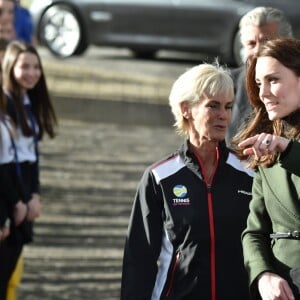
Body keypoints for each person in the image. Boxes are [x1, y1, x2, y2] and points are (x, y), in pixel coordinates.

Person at [121, 62, 253, 299]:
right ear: (186, 109)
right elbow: (139, 259)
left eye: (228, 106)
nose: (223, 115)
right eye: (213, 106)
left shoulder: (249, 173)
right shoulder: (160, 177)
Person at [232, 37, 300, 300]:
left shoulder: (280, 147)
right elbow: (254, 232)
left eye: (273, 80)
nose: (263, 93)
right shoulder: (268, 149)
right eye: (259, 83)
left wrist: (288, 150)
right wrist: (263, 275)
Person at [0, 40, 57, 299]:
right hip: (10, 198)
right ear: (10, 67)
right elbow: (7, 161)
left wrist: (34, 194)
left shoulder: (26, 102)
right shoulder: (7, 105)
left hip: (23, 196)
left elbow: (30, 157)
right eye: (25, 66)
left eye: (36, 66)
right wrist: (18, 200)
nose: (32, 72)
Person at [226, 6, 293, 145]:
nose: (258, 51)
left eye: (267, 42)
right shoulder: (227, 85)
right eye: (251, 44)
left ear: (286, 44)